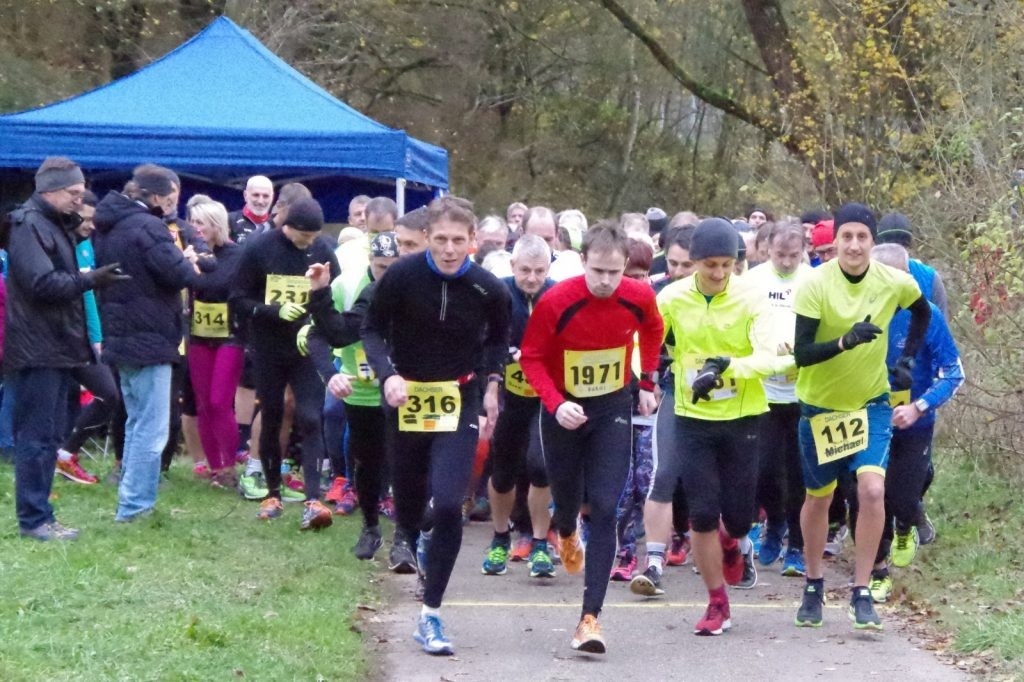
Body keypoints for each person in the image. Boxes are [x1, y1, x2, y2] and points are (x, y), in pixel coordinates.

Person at [361, 196, 510, 655]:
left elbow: (499, 338)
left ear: (474, 242)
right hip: (406, 397)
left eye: (458, 241)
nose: (449, 249)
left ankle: (430, 614)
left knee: (448, 505)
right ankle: (415, 530)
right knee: (408, 510)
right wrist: (388, 376)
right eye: (441, 239)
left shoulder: (489, 289)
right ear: (426, 237)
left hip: (458, 399)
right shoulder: (402, 277)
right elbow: (371, 329)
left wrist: (491, 384)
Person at [639, 218, 794, 636]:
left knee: (739, 519)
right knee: (703, 514)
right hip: (693, 417)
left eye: (728, 265)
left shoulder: (753, 297)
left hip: (743, 417)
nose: (720, 274)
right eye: (710, 265)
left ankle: (734, 543)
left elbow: (777, 358)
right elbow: (645, 341)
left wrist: (730, 368)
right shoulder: (671, 298)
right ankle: (716, 602)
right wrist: (645, 372)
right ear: (692, 262)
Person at [519, 221, 663, 654]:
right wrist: (555, 402)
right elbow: (531, 357)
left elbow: (653, 331)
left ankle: (590, 619)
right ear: (582, 262)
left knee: (604, 506)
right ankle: (564, 531)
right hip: (563, 408)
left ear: (626, 269)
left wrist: (647, 382)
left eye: (614, 272)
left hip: (611, 406)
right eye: (597, 270)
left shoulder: (639, 296)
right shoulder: (556, 300)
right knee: (567, 501)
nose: (605, 281)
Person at [791, 203, 930, 631]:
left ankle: (862, 588)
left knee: (872, 491)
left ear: (873, 242)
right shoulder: (816, 283)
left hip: (870, 404)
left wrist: (905, 357)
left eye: (862, 237)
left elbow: (922, 312)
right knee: (821, 497)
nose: (853, 245)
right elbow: (803, 354)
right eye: (846, 236)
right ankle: (814, 583)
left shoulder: (894, 281)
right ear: (835, 241)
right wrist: (845, 342)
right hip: (820, 406)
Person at [5, 157, 126, 539]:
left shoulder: (53, 223)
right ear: (50, 191)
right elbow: (42, 284)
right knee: (37, 437)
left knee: (51, 434)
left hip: (58, 345)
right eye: (73, 194)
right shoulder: (27, 225)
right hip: (36, 347)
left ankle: (43, 514)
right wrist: (90, 279)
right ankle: (34, 519)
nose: (80, 200)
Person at [93, 164, 198, 522]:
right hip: (150, 336)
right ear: (153, 196)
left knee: (135, 421)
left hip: (120, 334)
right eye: (168, 199)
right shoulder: (148, 227)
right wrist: (188, 259)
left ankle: (132, 499)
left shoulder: (107, 226)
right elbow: (180, 274)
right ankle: (135, 506)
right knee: (151, 429)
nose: (170, 206)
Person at [230, 197, 340, 530]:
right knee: (273, 413)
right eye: (304, 236)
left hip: (307, 346)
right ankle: (272, 492)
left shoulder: (321, 248)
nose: (310, 243)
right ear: (287, 227)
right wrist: (272, 311)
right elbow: (237, 299)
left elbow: (334, 291)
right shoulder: (260, 248)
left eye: (314, 237)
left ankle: (312, 497)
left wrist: (317, 317)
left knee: (309, 415)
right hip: (268, 347)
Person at [865, 244, 964, 604]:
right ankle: (878, 569)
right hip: (866, 418)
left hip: (913, 420)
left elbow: (954, 372)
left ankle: (906, 524)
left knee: (902, 498)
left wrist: (920, 407)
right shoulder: (853, 310)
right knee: (867, 496)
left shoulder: (928, 314)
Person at [305, 232, 401, 554]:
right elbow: (320, 335)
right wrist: (331, 375)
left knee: (406, 457)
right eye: (380, 266)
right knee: (367, 461)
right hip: (360, 388)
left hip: (403, 387)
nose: (386, 275)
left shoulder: (414, 286)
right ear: (370, 262)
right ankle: (370, 527)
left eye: (393, 267)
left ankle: (405, 532)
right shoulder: (349, 287)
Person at [480, 234, 556, 579]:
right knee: (504, 470)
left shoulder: (557, 294)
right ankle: (499, 536)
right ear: (513, 266)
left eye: (539, 271)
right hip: (509, 393)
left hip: (546, 395)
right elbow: (486, 342)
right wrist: (492, 385)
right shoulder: (498, 293)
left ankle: (540, 543)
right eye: (525, 270)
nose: (532, 278)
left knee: (541, 467)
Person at [743, 221, 813, 577]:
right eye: (780, 255)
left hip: (803, 390)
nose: (786, 262)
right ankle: (774, 526)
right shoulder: (753, 281)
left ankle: (798, 547)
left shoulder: (813, 280)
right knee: (766, 469)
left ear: (804, 251)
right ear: (767, 249)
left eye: (793, 255)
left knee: (799, 471)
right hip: (765, 388)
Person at [56, 189, 120, 485]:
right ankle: (61, 456)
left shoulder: (86, 246)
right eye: (86, 218)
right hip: (62, 336)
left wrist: (97, 335)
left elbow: (90, 298)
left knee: (108, 395)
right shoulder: (58, 243)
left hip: (82, 335)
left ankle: (65, 455)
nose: (90, 225)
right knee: (107, 394)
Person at [187, 197, 245, 488]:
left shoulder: (235, 255)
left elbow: (220, 285)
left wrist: (198, 267)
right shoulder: (189, 254)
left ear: (216, 224)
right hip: (198, 334)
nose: (196, 228)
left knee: (220, 401)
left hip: (229, 335)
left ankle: (229, 464)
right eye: (193, 222)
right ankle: (215, 467)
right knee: (202, 404)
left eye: (201, 222)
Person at [876, 212, 949, 319]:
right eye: (889, 247)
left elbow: (942, 330)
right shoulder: (864, 279)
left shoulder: (930, 279)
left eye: (901, 246)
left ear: (909, 248)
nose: (895, 253)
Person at [228, 175, 275, 244]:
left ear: (272, 197)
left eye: (266, 196)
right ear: (245, 195)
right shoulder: (229, 220)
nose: (260, 201)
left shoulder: (277, 225)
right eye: (256, 195)